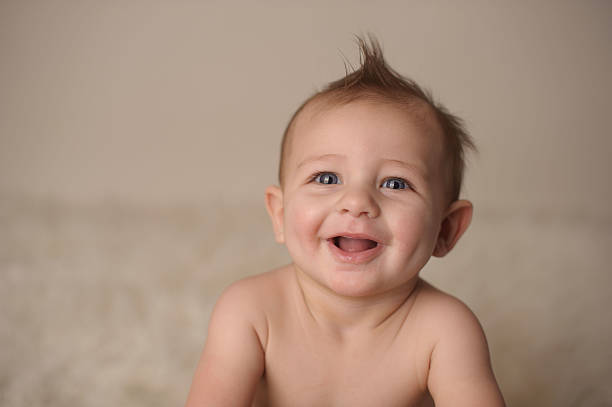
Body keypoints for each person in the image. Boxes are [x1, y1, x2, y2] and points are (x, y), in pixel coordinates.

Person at [185, 36, 506, 407]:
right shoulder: (251, 312)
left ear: (446, 230)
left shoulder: (445, 330)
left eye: (395, 183)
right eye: (326, 178)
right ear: (280, 213)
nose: (356, 202)